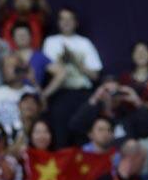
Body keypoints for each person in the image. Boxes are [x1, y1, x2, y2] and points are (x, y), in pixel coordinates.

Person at [42, 8, 103, 147]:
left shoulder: (84, 43)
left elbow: (95, 75)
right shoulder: (51, 42)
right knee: (61, 136)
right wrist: (63, 60)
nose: (66, 22)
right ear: (58, 22)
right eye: (62, 19)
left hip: (83, 95)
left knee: (83, 135)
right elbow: (47, 70)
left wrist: (75, 61)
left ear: (76, 22)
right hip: (60, 94)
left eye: (69, 19)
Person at [118, 41, 148, 117]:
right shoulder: (124, 78)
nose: (140, 54)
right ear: (132, 56)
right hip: (126, 121)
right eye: (137, 51)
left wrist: (138, 102)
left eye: (144, 51)